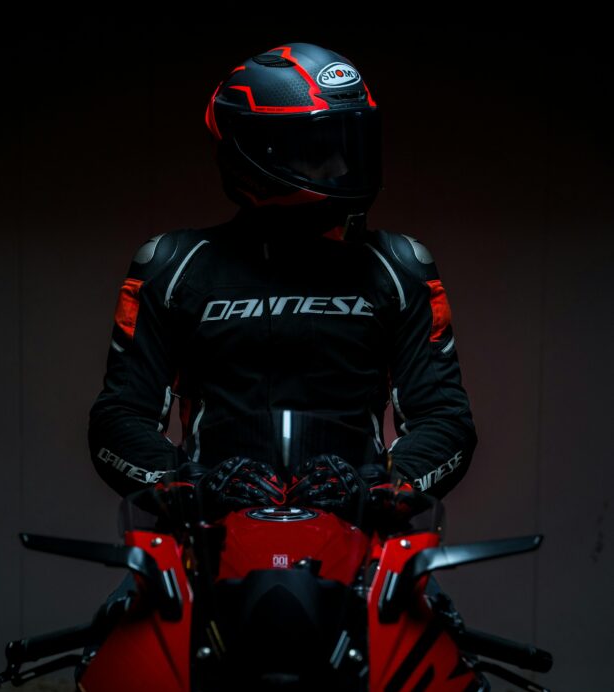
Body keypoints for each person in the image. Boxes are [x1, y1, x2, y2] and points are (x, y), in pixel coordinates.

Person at [88, 41, 477, 527]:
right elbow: (118, 420)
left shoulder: (400, 265)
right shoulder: (170, 266)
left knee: (429, 608)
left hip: (357, 538)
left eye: (350, 143)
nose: (343, 165)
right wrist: (187, 484)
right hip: (209, 540)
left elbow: (447, 422)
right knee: (130, 608)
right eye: (323, 148)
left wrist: (381, 487)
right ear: (257, 154)